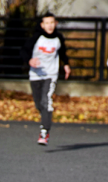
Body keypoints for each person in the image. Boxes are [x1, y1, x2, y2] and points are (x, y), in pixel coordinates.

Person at [20, 12, 71, 146]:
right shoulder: (37, 38)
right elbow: (24, 51)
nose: (49, 26)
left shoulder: (58, 38)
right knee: (39, 104)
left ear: (56, 24)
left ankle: (44, 131)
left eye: (52, 22)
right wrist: (30, 60)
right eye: (46, 23)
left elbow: (63, 52)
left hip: (51, 74)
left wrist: (66, 65)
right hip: (36, 75)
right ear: (42, 25)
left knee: (46, 100)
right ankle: (45, 120)